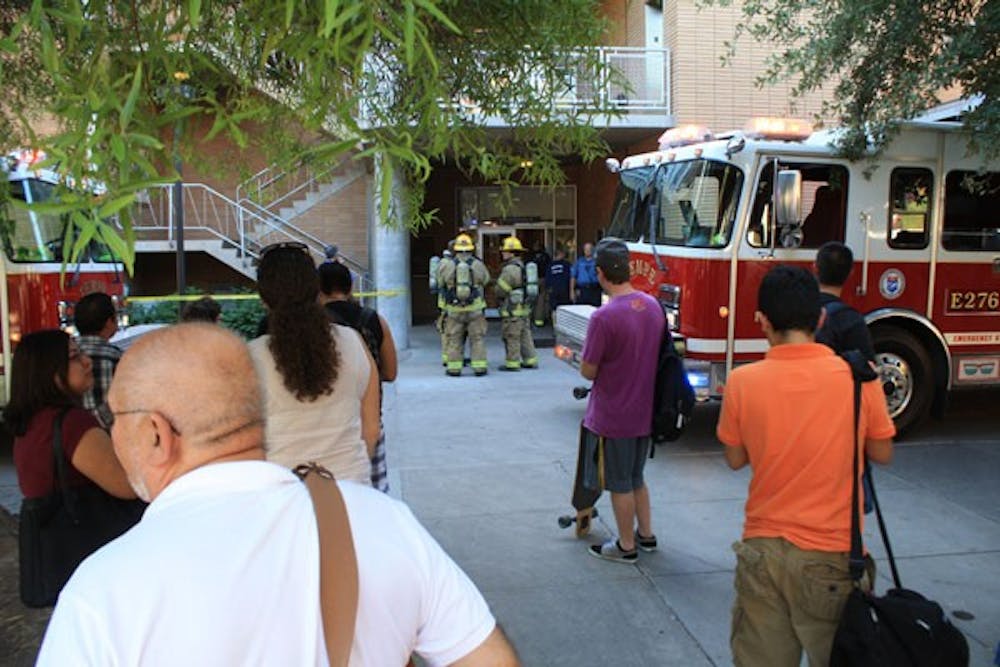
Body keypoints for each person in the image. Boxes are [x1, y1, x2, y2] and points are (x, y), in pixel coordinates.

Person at [36, 323, 519, 666]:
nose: (109, 430)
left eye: (115, 416)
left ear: (156, 434)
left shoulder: (104, 590)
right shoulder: (384, 523)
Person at [716, 264, 895, 667]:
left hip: (762, 550)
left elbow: (734, 459)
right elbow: (882, 453)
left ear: (762, 320)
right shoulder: (858, 380)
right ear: (820, 317)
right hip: (832, 558)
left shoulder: (743, 382)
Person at [4, 331, 138, 600]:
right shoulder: (71, 423)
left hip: (57, 558)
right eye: (75, 357)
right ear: (49, 372)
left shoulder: (31, 422)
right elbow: (128, 486)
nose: (87, 362)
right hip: (87, 554)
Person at [249, 243, 379, 485]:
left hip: (280, 496)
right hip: (350, 490)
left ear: (263, 297)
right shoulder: (353, 341)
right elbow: (371, 429)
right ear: (317, 289)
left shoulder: (249, 358)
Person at [579, 238, 664, 562]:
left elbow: (588, 371)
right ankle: (646, 535)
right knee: (636, 477)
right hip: (644, 411)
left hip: (614, 415)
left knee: (619, 483)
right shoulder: (652, 306)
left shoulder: (604, 317)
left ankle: (626, 546)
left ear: (600, 273)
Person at [319, 260, 398, 492]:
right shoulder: (374, 320)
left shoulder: (309, 325)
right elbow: (391, 373)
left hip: (326, 423)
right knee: (372, 500)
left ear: (318, 289)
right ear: (350, 288)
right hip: (368, 418)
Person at [437, 233, 490, 377]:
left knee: (454, 339)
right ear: (471, 249)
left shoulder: (448, 265)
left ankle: (454, 368)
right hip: (475, 310)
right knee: (477, 339)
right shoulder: (478, 264)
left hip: (454, 310)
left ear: (456, 249)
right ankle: (479, 368)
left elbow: (440, 284)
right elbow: (486, 280)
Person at [814, 241, 875, 362]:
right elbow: (866, 368)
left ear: (815, 268)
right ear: (850, 273)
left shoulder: (797, 311)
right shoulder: (851, 320)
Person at [73, 292, 122, 428]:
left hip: (70, 433)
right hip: (106, 436)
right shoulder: (116, 358)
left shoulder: (61, 356)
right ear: (109, 322)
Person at [495, 236, 538, 371]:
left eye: (505, 251)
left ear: (511, 252)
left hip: (512, 309)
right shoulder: (523, 265)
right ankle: (530, 360)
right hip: (524, 308)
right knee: (525, 334)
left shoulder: (509, 269)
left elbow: (501, 290)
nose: (503, 253)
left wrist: (496, 292)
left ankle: (512, 363)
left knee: (511, 335)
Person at [570, 242, 601, 307]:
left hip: (594, 289)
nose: (587, 251)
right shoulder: (579, 262)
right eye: (586, 249)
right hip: (582, 290)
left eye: (589, 249)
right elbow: (573, 277)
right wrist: (572, 291)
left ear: (593, 250)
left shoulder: (597, 262)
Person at [545, 247, 572, 321]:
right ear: (561, 254)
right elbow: (570, 277)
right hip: (564, 290)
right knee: (565, 308)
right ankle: (564, 324)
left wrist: (548, 288)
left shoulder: (550, 265)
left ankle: (555, 326)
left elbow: (547, 278)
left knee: (554, 309)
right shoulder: (566, 265)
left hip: (553, 290)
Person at [530, 241, 552, 327]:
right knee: (542, 300)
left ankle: (532, 318)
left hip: (532, 280)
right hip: (543, 279)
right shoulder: (546, 256)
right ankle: (540, 319)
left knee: (532, 300)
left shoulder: (531, 256)